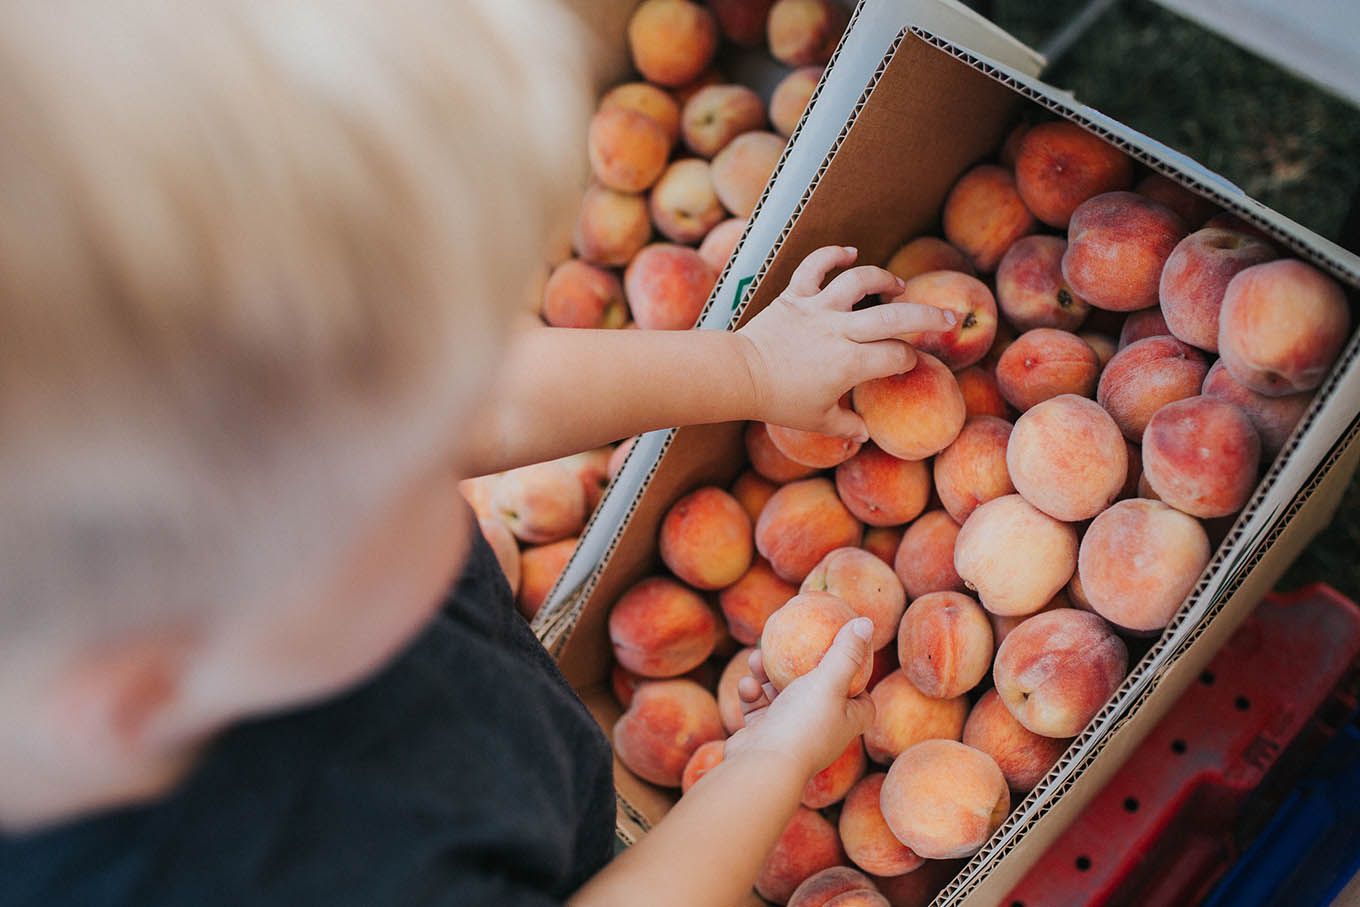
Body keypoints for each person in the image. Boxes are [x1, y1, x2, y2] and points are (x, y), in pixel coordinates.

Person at [0, 1, 953, 904]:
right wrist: (765, 765)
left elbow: (484, 401)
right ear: (137, 683)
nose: (462, 455)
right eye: (418, 463)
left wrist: (750, 366)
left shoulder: (236, 528)